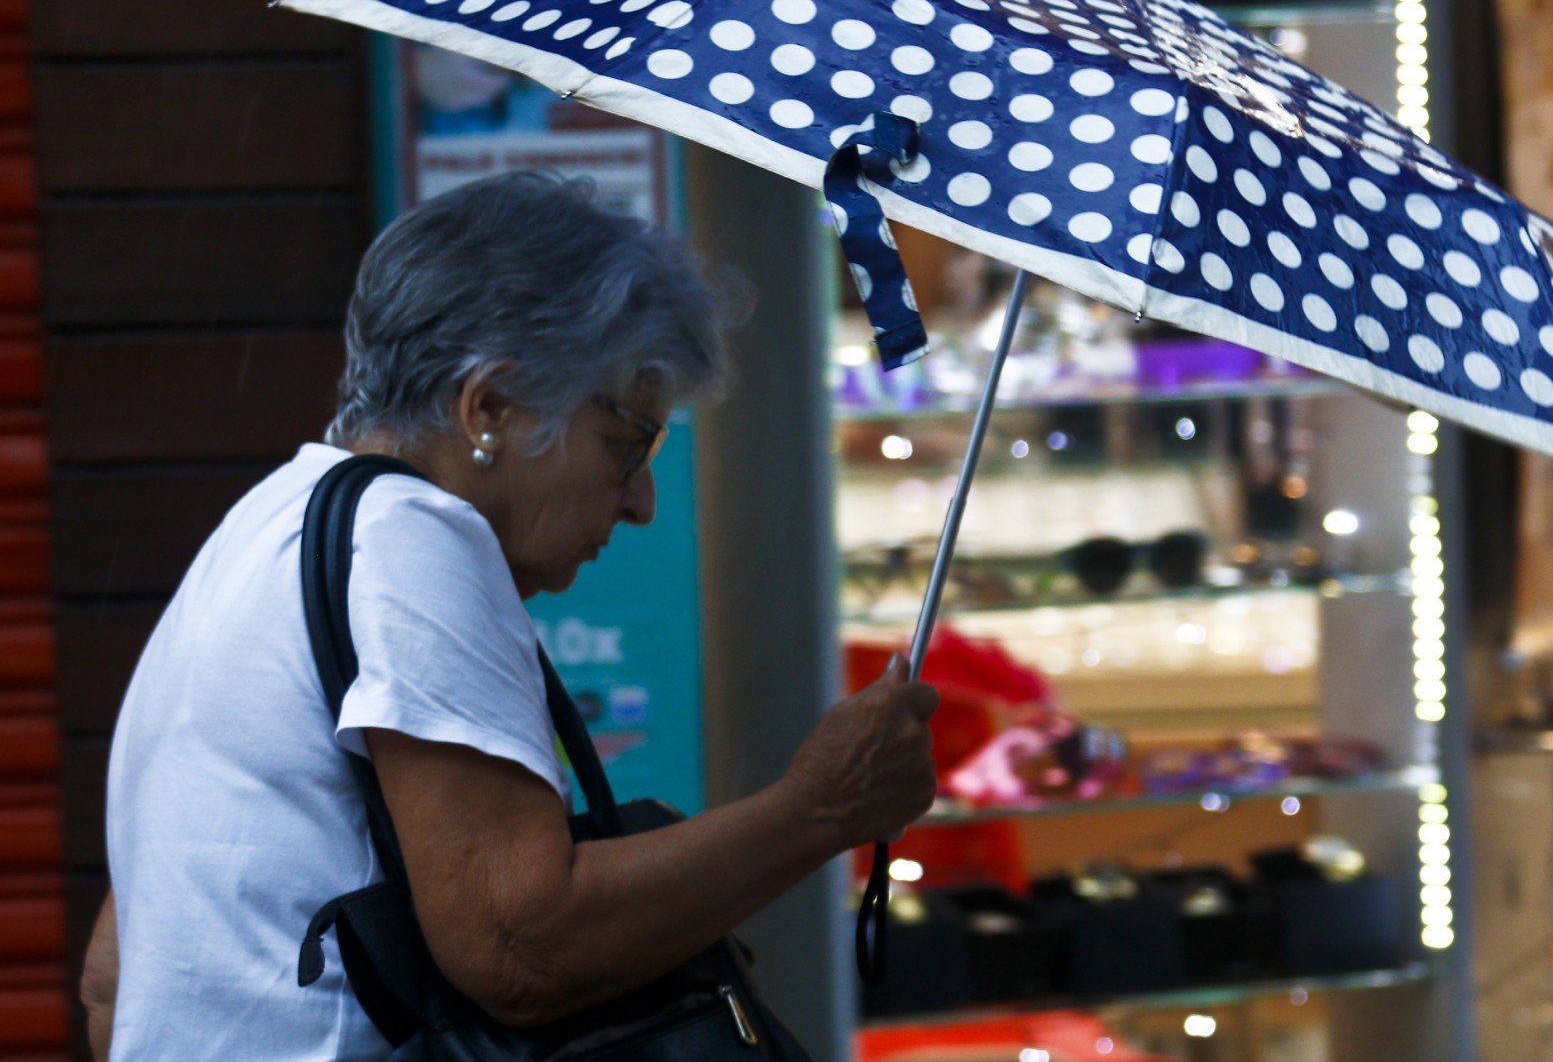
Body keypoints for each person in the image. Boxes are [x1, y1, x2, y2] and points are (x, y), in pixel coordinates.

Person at [80, 172, 940, 1059]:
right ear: (488, 405)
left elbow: (113, 978)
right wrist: (822, 808)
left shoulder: (268, 520)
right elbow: (521, 945)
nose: (640, 500)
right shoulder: (413, 535)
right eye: (626, 443)